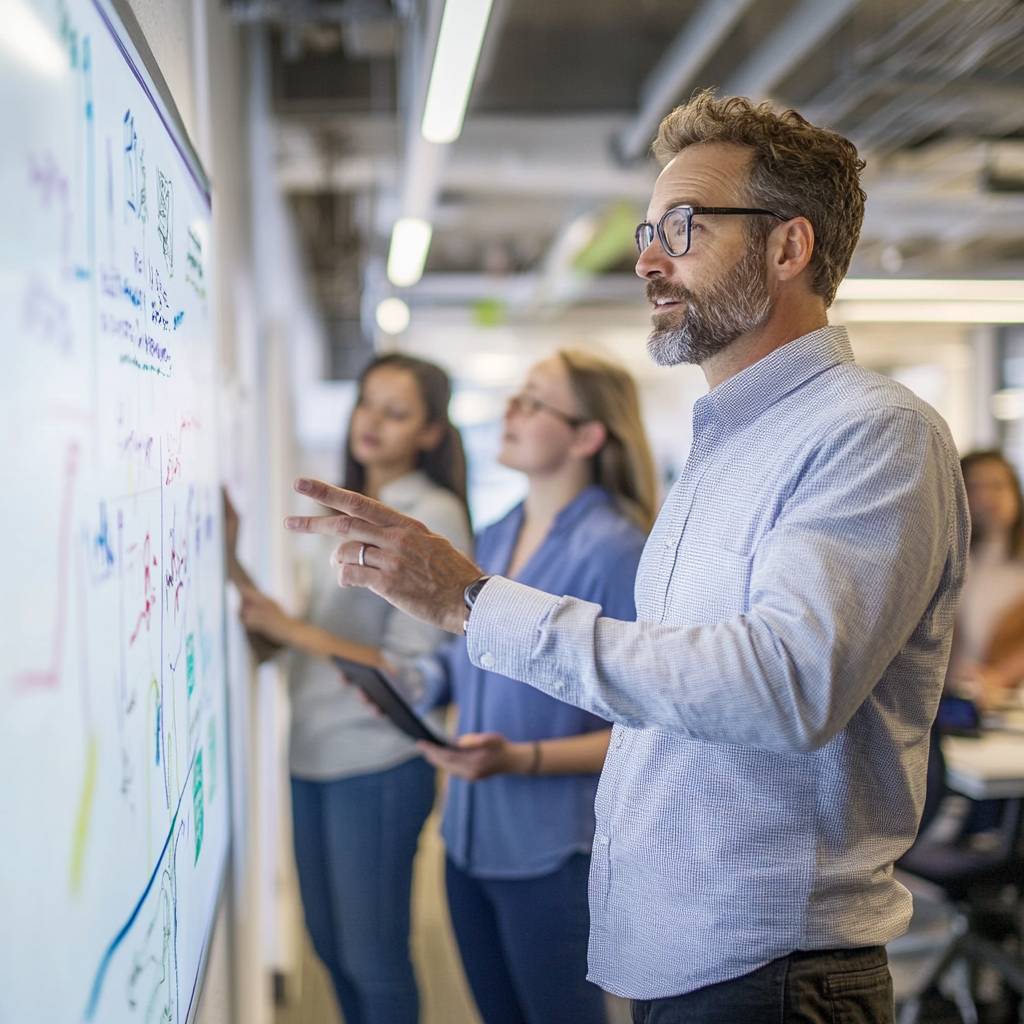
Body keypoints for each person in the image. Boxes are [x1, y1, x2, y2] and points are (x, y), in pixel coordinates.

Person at [284, 91, 970, 1024]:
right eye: (651, 229)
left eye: (682, 227)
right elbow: (668, 698)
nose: (647, 257)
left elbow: (784, 686)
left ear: (788, 247)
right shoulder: (720, 454)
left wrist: (476, 603)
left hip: (772, 971)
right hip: (681, 961)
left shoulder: (871, 433)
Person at [404, 349, 654, 1024]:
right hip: (468, 838)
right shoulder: (497, 530)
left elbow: (650, 724)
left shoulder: (617, 549)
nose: (511, 412)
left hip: (554, 851)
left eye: (534, 402)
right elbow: (471, 658)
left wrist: (524, 759)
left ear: (587, 436)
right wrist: (415, 682)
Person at [226, 354, 472, 1024]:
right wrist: (228, 559)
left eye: (397, 413)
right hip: (310, 752)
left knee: (374, 962)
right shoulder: (341, 507)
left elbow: (411, 673)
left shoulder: (430, 513)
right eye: (368, 405)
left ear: (428, 433)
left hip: (378, 764)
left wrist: (290, 628)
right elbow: (288, 633)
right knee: (332, 953)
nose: (374, 424)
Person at [948, 449, 1024, 707]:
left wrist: (999, 677)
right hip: (950, 700)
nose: (986, 498)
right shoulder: (947, 560)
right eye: (975, 487)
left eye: (997, 486)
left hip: (1008, 701)